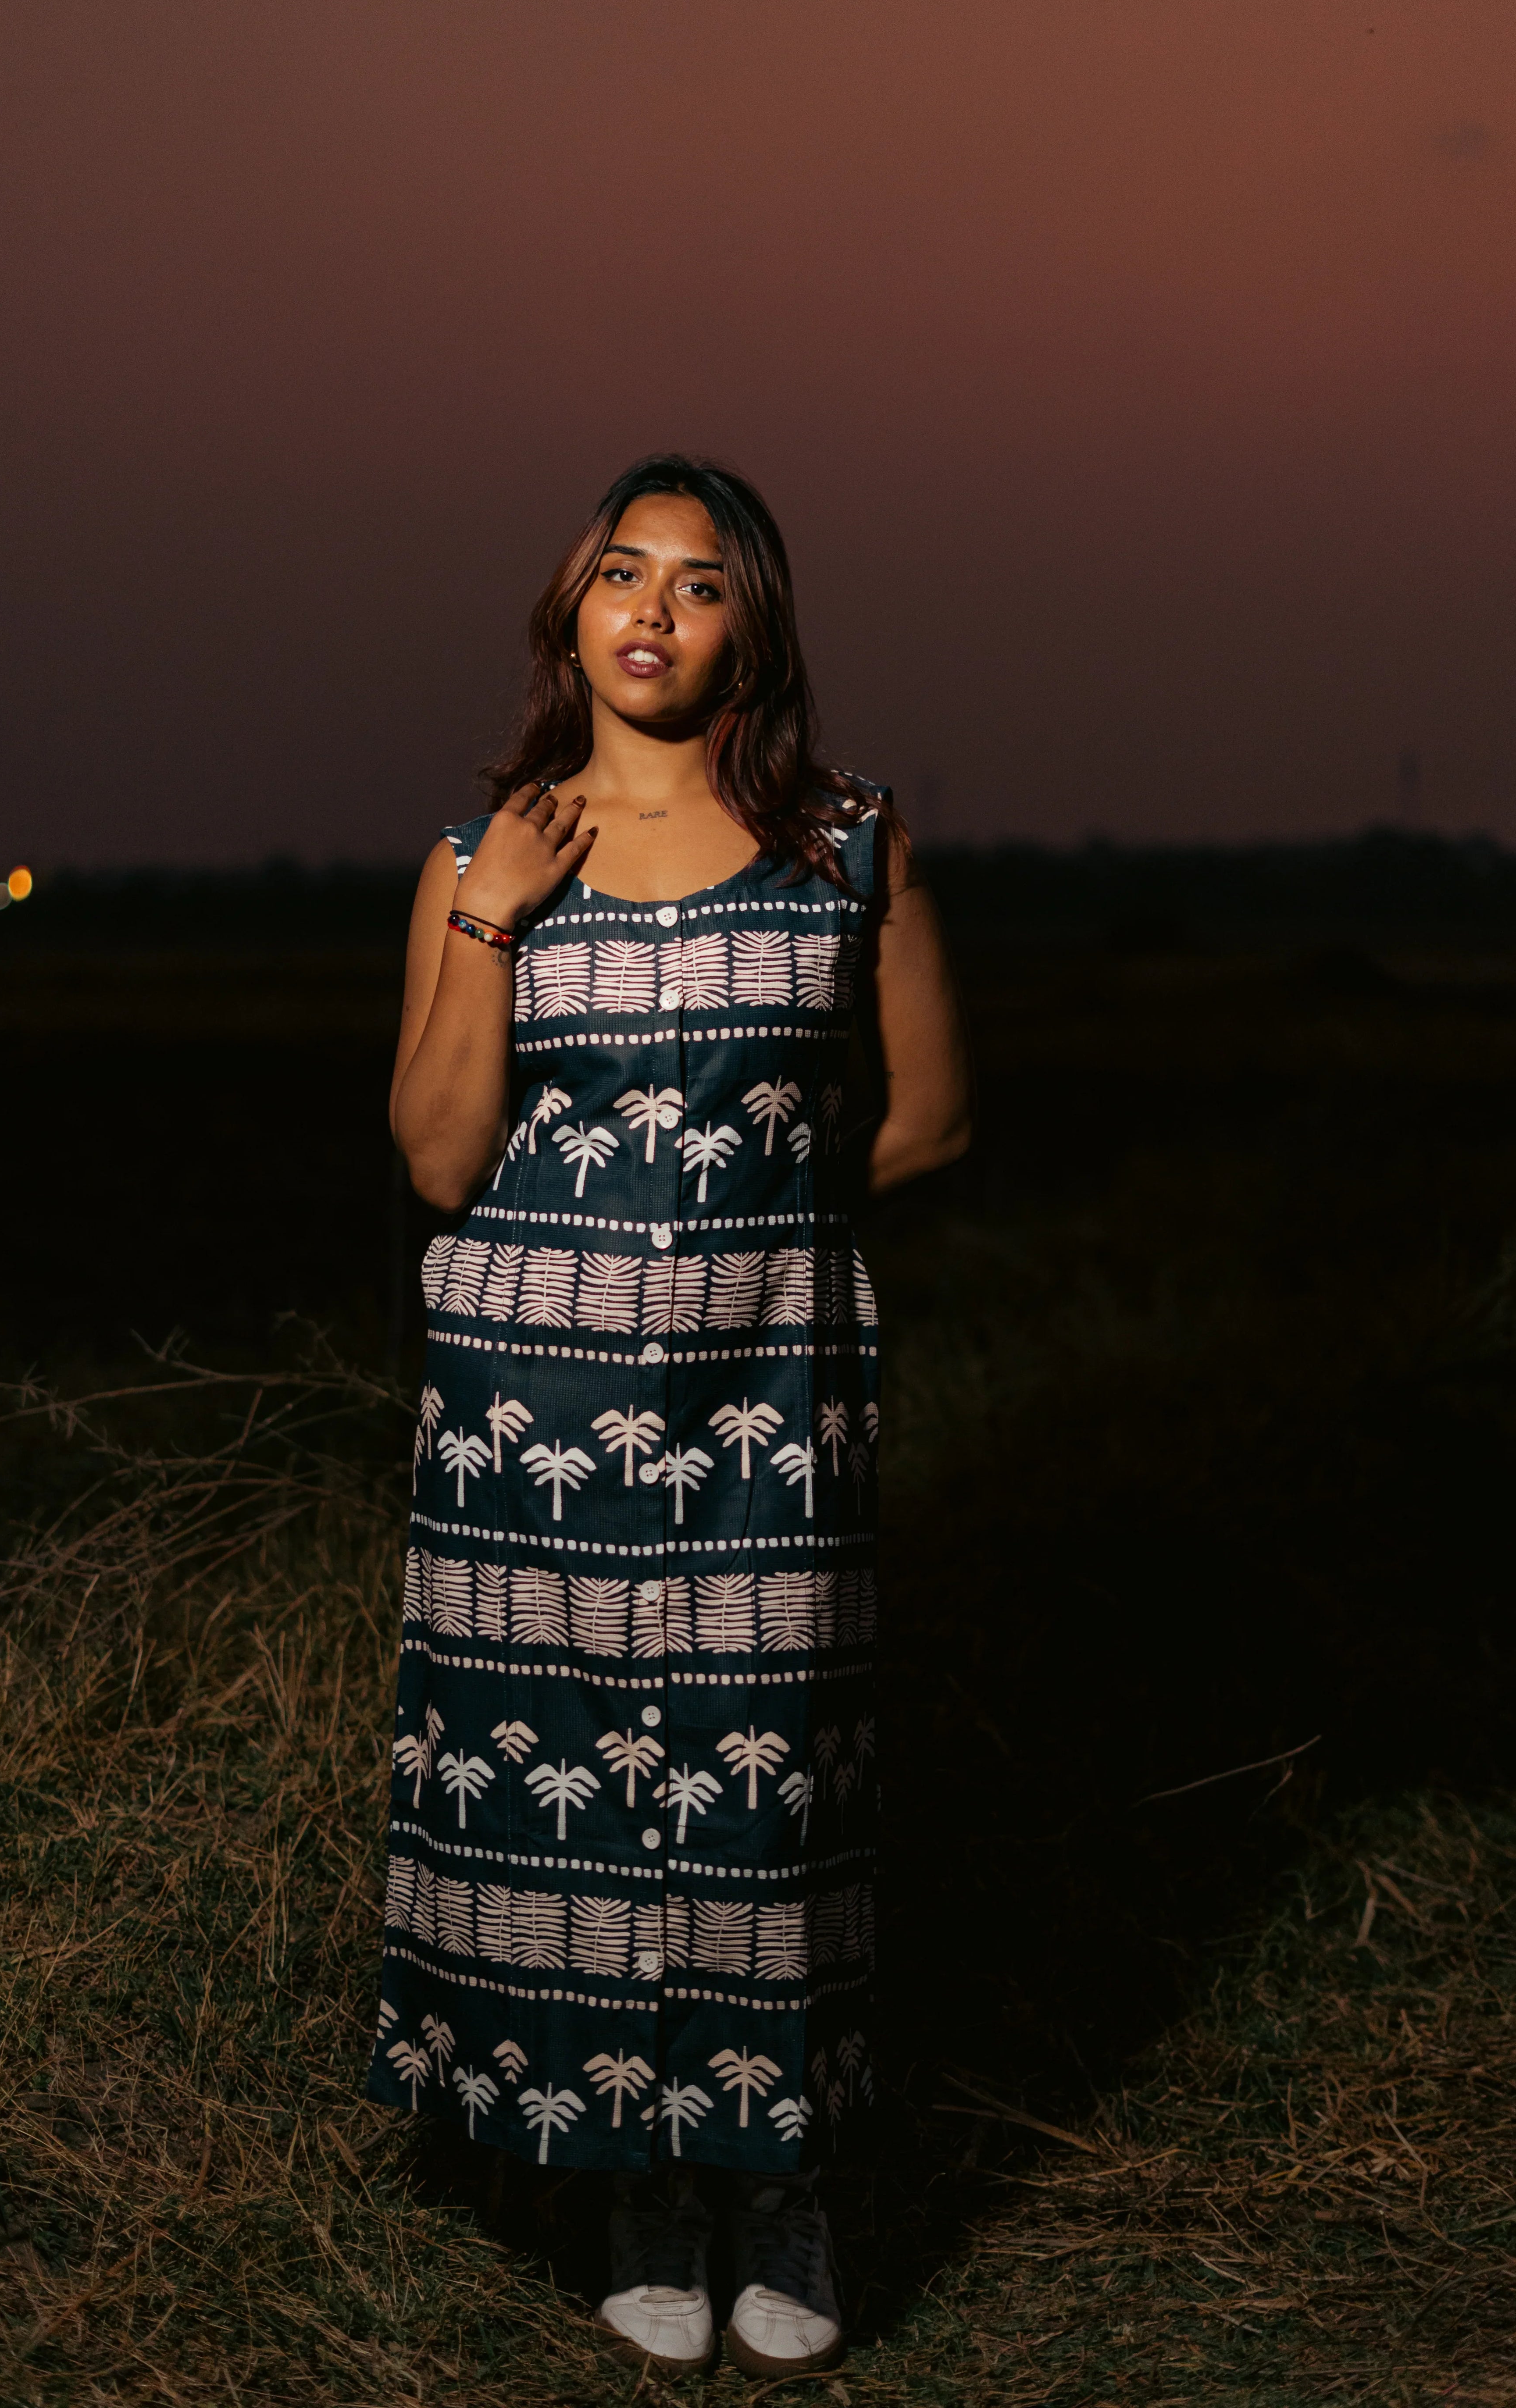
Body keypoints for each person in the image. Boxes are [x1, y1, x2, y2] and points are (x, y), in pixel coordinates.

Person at [369, 453, 971, 2375]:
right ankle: (631, 2176)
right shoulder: (478, 864)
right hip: (526, 1424)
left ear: (753, 630)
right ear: (568, 618)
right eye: (616, 574)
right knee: (558, 1789)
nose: (650, 609)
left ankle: (770, 2173)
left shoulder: (851, 847)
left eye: (697, 584)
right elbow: (440, 1161)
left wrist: (748, 1245)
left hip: (765, 1415)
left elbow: (935, 1115)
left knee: (761, 1795)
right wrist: (497, 918)